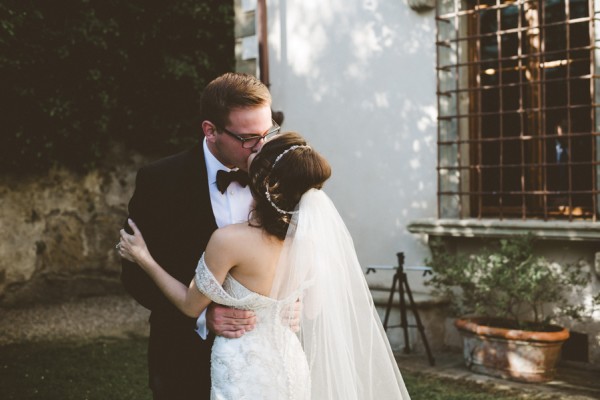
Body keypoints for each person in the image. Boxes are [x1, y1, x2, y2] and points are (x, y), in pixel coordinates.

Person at [118, 132, 412, 399]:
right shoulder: (310, 244)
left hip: (242, 369)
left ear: (260, 183)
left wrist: (144, 258)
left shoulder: (229, 241)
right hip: (289, 362)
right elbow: (310, 309)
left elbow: (189, 305)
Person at [119, 72, 281, 400]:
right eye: (248, 138)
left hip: (267, 358)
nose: (260, 147)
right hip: (183, 359)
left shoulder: (280, 175)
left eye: (268, 132)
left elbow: (297, 251)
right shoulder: (160, 181)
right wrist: (204, 316)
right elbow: (135, 276)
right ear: (211, 131)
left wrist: (294, 300)